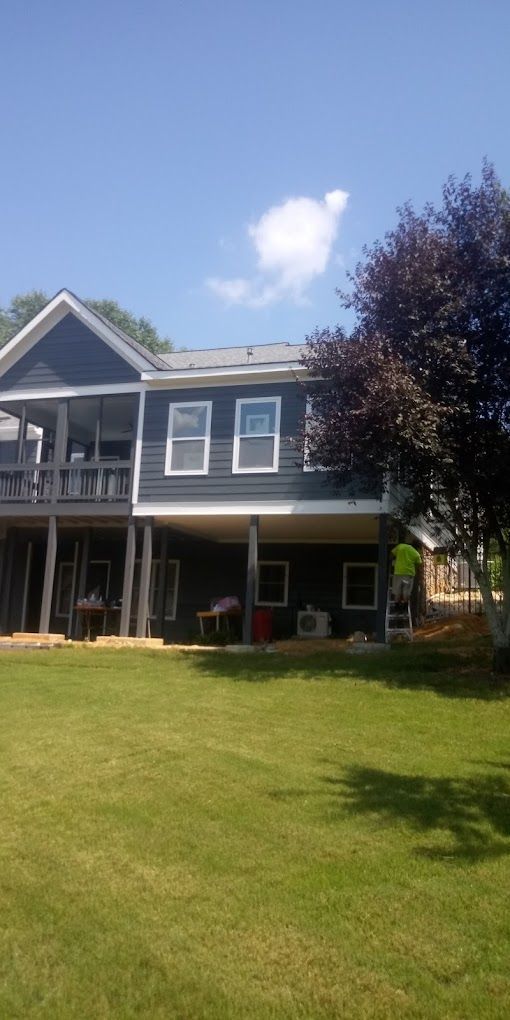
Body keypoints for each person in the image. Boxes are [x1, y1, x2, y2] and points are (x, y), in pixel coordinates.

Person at [391, 539, 422, 605]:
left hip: (398, 572)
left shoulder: (401, 546)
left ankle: (397, 608)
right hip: (409, 574)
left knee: (397, 591)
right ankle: (404, 608)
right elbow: (418, 566)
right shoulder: (416, 554)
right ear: (418, 547)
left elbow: (391, 554)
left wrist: (393, 561)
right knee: (406, 592)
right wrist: (418, 576)